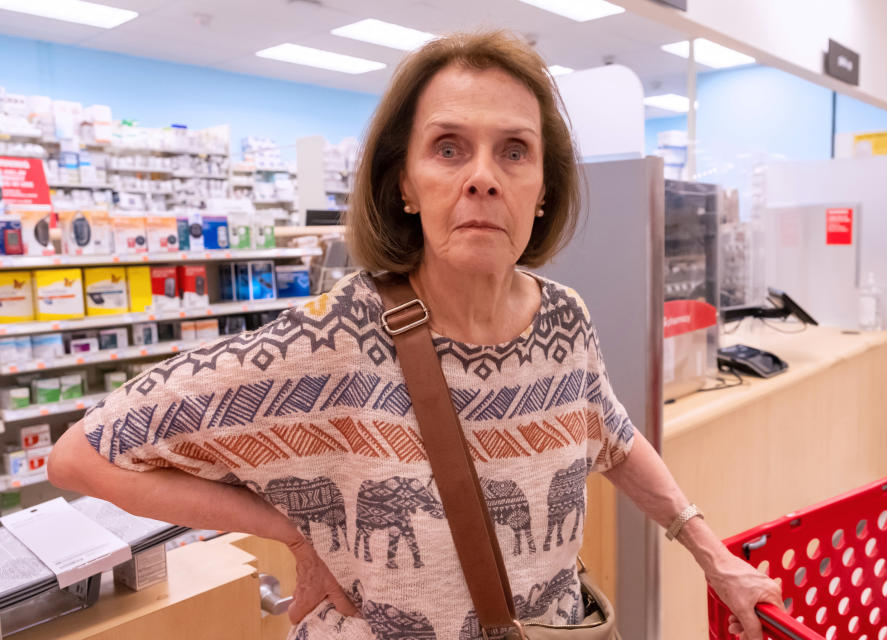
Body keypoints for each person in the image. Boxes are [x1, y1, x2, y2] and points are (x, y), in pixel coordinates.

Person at [48, 31, 781, 640]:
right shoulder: (332, 339)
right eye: (450, 149)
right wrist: (288, 528)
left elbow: (612, 436)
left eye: (515, 151)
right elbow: (81, 457)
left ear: (544, 186)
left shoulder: (564, 319)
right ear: (404, 182)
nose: (484, 178)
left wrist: (711, 553)